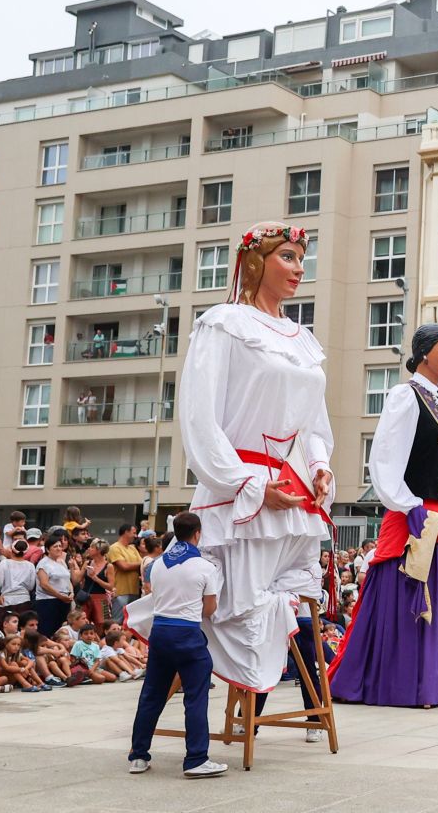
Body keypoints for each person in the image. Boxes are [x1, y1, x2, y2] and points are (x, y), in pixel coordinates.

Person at [126, 222, 334, 705]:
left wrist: (321, 465)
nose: (299, 268)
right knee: (238, 606)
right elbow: (200, 418)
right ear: (257, 262)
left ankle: (269, 711)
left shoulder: (303, 339)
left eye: (302, 258)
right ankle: (210, 714)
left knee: (288, 603)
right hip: (243, 492)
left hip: (297, 494)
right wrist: (249, 483)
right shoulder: (222, 323)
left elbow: (314, 424)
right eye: (287, 256)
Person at [330, 324, 438, 709]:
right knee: (418, 602)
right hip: (416, 513)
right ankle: (410, 684)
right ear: (425, 352)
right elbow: (384, 459)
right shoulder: (406, 396)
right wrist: (409, 505)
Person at [128, 512, 227, 778]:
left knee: (152, 694)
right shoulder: (205, 567)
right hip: (187, 633)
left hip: (160, 631)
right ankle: (196, 758)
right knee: (196, 695)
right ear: (198, 533)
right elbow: (209, 609)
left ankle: (138, 755)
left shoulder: (158, 565)